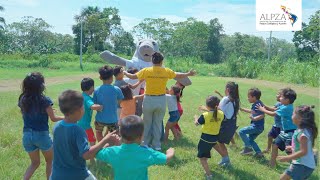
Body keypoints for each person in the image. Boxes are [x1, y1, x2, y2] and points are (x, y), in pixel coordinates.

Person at [123, 52, 196, 150]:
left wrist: (125, 72)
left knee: (147, 122)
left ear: (152, 61)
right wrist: (188, 73)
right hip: (161, 100)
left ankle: (145, 144)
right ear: (162, 61)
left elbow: (132, 76)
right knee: (157, 123)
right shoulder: (166, 71)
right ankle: (157, 145)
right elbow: (177, 75)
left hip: (148, 99)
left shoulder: (146, 71)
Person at [51, 90, 120, 180]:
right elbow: (86, 155)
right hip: (77, 175)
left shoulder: (56, 126)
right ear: (80, 110)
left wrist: (105, 145)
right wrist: (105, 140)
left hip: (57, 175)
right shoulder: (77, 130)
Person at [96, 115, 175, 180]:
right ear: (140, 137)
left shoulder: (112, 152)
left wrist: (107, 144)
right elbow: (165, 159)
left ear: (121, 136)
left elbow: (97, 153)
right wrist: (170, 152)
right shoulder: (146, 152)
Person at [18, 72, 64, 180]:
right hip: (42, 136)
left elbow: (29, 112)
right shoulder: (44, 100)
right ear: (41, 86)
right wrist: (66, 118)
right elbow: (53, 118)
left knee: (35, 163)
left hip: (27, 136)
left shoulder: (23, 99)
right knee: (50, 161)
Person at [257, 88, 297, 167]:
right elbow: (275, 109)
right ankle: (272, 164)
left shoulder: (286, 108)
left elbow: (273, 114)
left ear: (287, 99)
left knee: (289, 151)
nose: (280, 98)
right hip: (284, 132)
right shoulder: (285, 105)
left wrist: (262, 109)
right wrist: (265, 106)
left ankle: (297, 166)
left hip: (290, 133)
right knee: (275, 145)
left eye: (281, 97)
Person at [277, 105, 317, 180]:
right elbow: (304, 146)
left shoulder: (303, 134)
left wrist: (288, 157)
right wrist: (292, 148)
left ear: (300, 118)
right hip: (304, 165)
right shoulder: (303, 129)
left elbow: (303, 151)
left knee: (283, 178)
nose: (291, 116)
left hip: (301, 165)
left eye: (293, 114)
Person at [194, 96, 224, 180]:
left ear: (207, 105)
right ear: (217, 105)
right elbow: (216, 112)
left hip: (205, 139)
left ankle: (209, 175)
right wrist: (207, 109)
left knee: (202, 158)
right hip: (214, 138)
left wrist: (196, 118)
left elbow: (197, 123)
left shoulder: (205, 115)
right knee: (206, 153)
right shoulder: (221, 114)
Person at [94, 65, 124, 142]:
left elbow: (95, 103)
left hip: (100, 118)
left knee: (98, 132)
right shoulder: (117, 89)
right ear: (112, 77)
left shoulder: (96, 90)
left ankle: (101, 146)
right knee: (116, 134)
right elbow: (120, 101)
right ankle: (113, 147)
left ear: (100, 77)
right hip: (112, 119)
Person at [78, 77, 103, 164]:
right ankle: (92, 159)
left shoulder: (82, 96)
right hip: (85, 125)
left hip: (78, 124)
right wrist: (100, 107)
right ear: (91, 87)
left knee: (81, 141)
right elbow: (92, 106)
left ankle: (80, 158)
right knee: (92, 141)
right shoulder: (87, 98)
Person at [239, 88, 265, 157]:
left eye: (249, 97)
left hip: (256, 127)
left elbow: (262, 115)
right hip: (259, 128)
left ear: (254, 97)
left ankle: (248, 148)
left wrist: (254, 118)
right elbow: (252, 111)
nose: (248, 99)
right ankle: (259, 153)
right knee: (250, 140)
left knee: (241, 132)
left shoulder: (257, 105)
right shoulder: (257, 103)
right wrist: (242, 109)